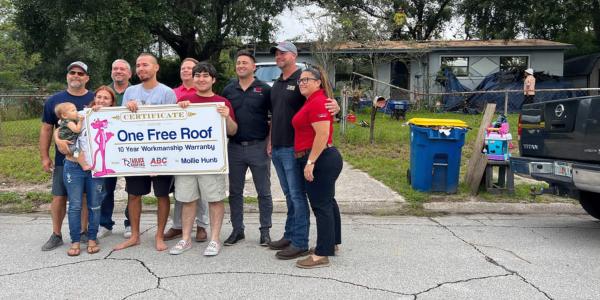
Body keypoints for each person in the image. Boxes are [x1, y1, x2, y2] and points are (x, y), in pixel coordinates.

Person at [267, 41, 339, 260]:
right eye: (276, 53)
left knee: (300, 198)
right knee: (291, 196)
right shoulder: (278, 84)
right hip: (278, 147)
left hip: (296, 149)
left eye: (283, 53)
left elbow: (325, 105)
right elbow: (274, 116)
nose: (279, 56)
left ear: (294, 55)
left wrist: (336, 107)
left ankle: (300, 242)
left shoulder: (304, 80)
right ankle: (290, 235)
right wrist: (270, 141)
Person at [169, 62, 237, 256]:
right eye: (197, 75)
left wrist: (226, 117)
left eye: (205, 75)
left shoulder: (221, 102)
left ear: (213, 79)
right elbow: (171, 129)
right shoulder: (184, 100)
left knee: (215, 200)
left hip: (211, 161)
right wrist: (179, 110)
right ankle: (185, 238)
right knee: (187, 199)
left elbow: (233, 131)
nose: (201, 79)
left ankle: (214, 239)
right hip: (187, 161)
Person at [114, 53, 177, 252]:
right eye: (138, 65)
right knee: (133, 195)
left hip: (160, 155)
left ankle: (159, 236)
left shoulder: (167, 93)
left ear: (156, 68)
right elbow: (122, 123)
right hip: (137, 155)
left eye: (145, 65)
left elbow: (173, 124)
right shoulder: (130, 92)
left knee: (162, 195)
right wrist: (127, 108)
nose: (141, 68)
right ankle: (134, 235)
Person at [40, 61, 95, 251]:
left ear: (87, 78)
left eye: (81, 74)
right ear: (67, 76)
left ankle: (83, 232)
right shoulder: (55, 101)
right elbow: (47, 129)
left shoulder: (95, 99)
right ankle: (56, 234)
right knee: (59, 196)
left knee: (86, 197)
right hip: (64, 159)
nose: (76, 76)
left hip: (90, 158)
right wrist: (45, 156)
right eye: (73, 72)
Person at [221, 50, 273, 246]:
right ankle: (237, 229)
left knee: (264, 191)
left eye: (245, 63)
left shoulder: (265, 89)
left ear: (253, 67)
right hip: (234, 147)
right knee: (235, 192)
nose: (241, 65)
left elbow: (274, 116)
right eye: (238, 63)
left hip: (258, 146)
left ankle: (265, 231)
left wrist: (271, 140)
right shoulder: (228, 90)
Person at [293, 67, 343, 268]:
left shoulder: (319, 102)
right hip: (321, 158)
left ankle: (322, 254)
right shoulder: (313, 101)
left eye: (307, 79)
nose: (302, 83)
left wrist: (310, 162)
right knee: (328, 202)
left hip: (320, 158)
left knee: (321, 205)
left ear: (318, 82)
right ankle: (332, 243)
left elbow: (322, 135)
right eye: (300, 80)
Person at [59, 86, 116, 256]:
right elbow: (61, 127)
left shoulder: (116, 118)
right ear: (94, 98)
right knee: (75, 206)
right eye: (99, 97)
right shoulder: (82, 114)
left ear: (112, 102)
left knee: (95, 205)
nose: (101, 100)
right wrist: (57, 138)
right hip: (73, 166)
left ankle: (92, 238)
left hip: (96, 168)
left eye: (106, 98)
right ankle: (75, 241)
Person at [163, 57, 210, 243]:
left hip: (201, 148)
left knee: (202, 190)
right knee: (181, 189)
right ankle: (177, 225)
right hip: (179, 149)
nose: (186, 70)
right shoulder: (173, 93)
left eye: (190, 68)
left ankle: (201, 226)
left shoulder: (205, 91)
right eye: (183, 68)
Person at [98, 59, 132, 239]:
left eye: (122, 69)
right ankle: (105, 223)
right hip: (108, 149)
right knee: (105, 188)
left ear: (129, 73)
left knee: (132, 189)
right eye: (115, 68)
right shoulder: (103, 92)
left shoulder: (136, 92)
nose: (118, 71)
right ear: (111, 72)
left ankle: (130, 223)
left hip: (130, 148)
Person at [54, 103, 90, 170]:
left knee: (76, 153)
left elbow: (59, 123)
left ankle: (77, 159)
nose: (76, 112)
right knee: (79, 152)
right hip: (69, 142)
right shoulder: (69, 122)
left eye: (76, 109)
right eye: (73, 110)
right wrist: (80, 121)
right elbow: (77, 130)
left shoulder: (63, 121)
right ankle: (84, 166)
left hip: (70, 141)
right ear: (64, 115)